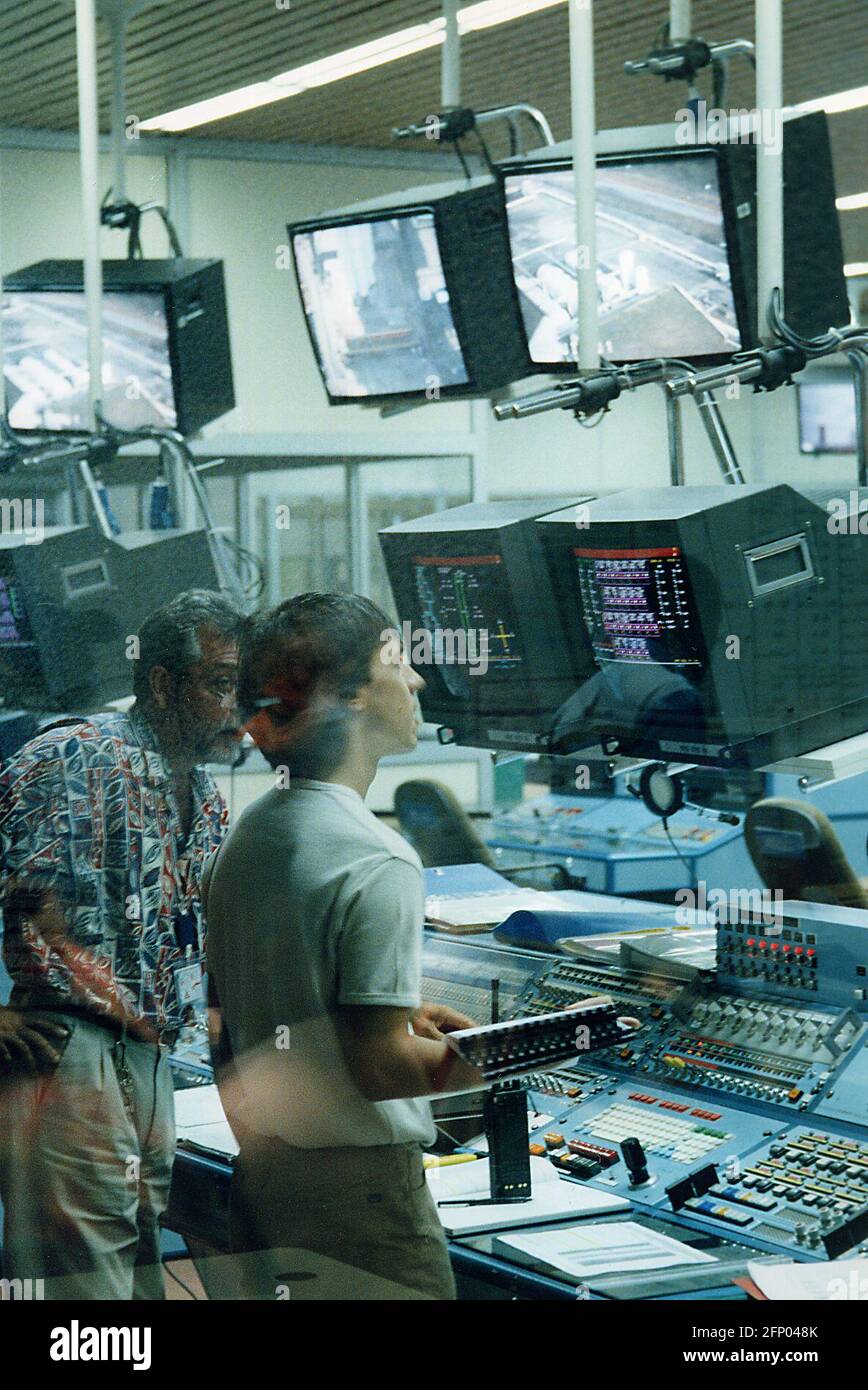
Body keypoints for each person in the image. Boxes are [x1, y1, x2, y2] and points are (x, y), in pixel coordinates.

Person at [203, 593, 484, 1300]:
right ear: (352, 695)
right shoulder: (376, 858)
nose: (417, 680)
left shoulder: (251, 832)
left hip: (265, 1179)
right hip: (361, 1208)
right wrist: (489, 1060)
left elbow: (226, 1027)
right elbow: (382, 1068)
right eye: (398, 662)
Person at [0, 589, 244, 1300]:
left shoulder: (206, 802)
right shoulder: (71, 757)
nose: (239, 708)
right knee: (81, 1304)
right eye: (222, 683)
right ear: (163, 683)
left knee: (137, 1291)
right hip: (63, 1054)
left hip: (152, 1061)